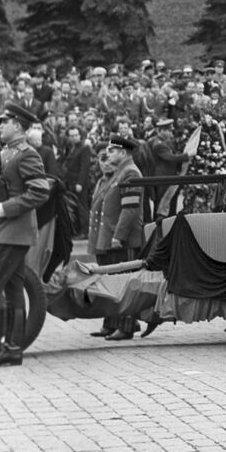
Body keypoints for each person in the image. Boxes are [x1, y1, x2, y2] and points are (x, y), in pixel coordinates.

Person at [0, 104, 51, 367]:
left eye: (3, 122)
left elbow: (40, 191)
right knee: (13, 289)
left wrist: (4, 208)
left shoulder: (27, 154)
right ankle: (13, 348)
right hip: (8, 230)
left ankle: (4, 346)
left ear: (17, 125)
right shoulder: (8, 151)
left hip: (14, 230)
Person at [88, 135, 145, 341]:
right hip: (111, 236)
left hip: (124, 239)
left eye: (112, 150)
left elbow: (129, 209)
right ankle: (112, 323)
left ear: (123, 152)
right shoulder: (118, 173)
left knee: (125, 283)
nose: (108, 153)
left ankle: (128, 325)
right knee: (112, 282)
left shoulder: (130, 172)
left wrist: (118, 236)